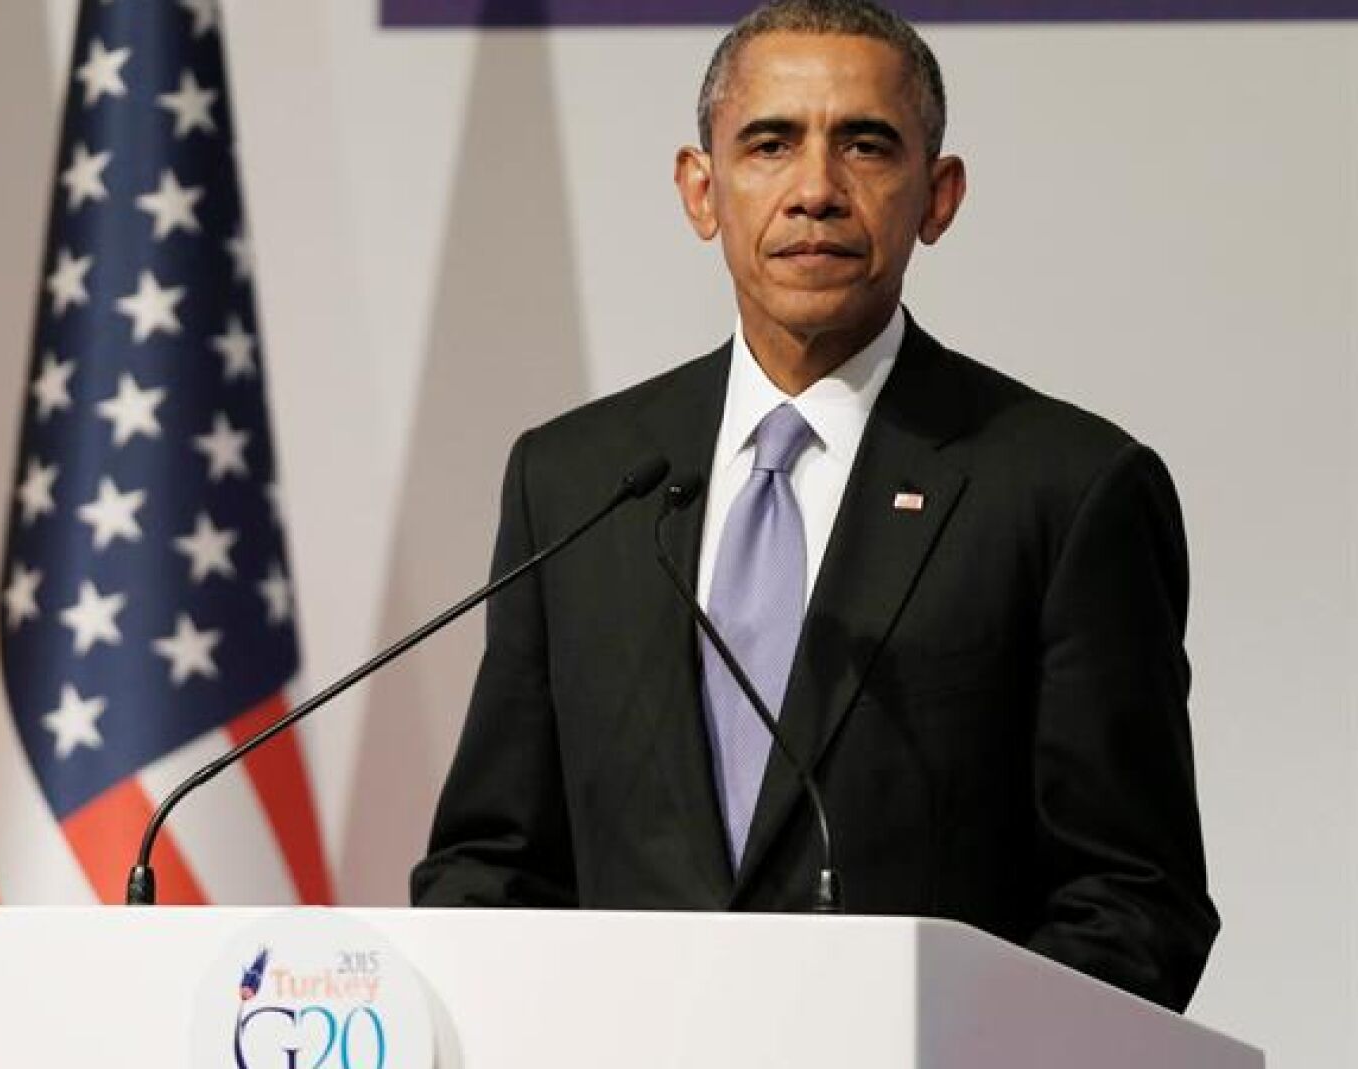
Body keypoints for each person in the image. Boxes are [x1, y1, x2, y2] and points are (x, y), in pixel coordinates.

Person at [410, 0, 1217, 1013]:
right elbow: (492, 865)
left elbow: (1131, 900)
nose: (816, 191)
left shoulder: (1063, 488)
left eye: (866, 146)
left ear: (939, 195)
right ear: (700, 188)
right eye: (770, 144)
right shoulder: (576, 479)